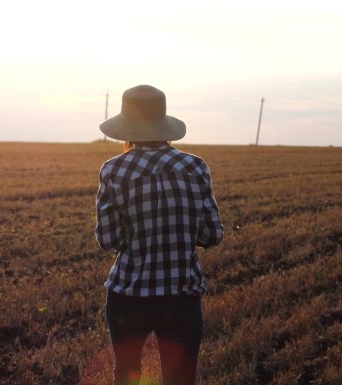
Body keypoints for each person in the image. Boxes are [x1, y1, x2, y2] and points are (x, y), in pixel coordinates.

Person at [94, 85, 224, 385]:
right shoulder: (196, 167)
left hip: (128, 293)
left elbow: (108, 240)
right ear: (163, 124)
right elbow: (212, 234)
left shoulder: (113, 170)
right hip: (181, 293)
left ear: (127, 127)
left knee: (127, 375)